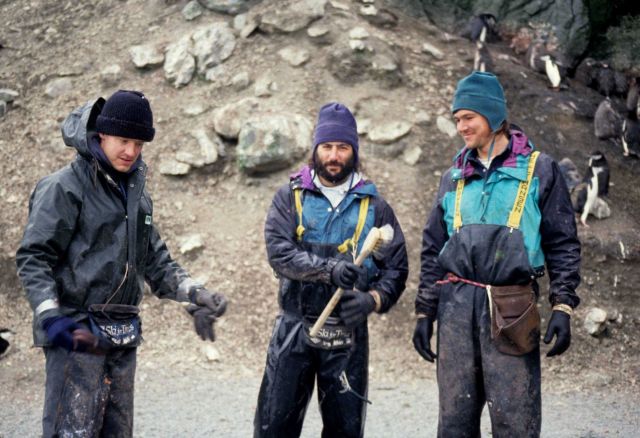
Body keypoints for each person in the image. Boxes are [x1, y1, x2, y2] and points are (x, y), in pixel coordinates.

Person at [16, 90, 227, 437]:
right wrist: (49, 314)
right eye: (124, 140)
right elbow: (34, 255)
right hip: (75, 332)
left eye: (140, 144)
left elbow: (156, 261)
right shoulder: (64, 188)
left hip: (123, 333)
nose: (131, 151)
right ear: (102, 134)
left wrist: (196, 293)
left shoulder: (137, 198)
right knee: (71, 431)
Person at [412, 72, 581, 437]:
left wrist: (563, 306)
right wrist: (426, 310)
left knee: (515, 421)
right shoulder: (453, 176)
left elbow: (562, 243)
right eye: (457, 119)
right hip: (456, 307)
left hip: (512, 306)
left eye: (468, 117)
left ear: (492, 114)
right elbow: (432, 249)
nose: (461, 126)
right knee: (455, 422)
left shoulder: (539, 169)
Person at [254, 102, 408, 438]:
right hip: (294, 329)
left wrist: (374, 300)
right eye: (327, 147)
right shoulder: (290, 197)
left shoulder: (375, 206)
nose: (334, 156)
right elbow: (279, 253)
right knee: (273, 427)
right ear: (315, 150)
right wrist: (329, 271)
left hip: (346, 337)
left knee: (344, 431)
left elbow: (397, 268)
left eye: (342, 147)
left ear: (354, 150)